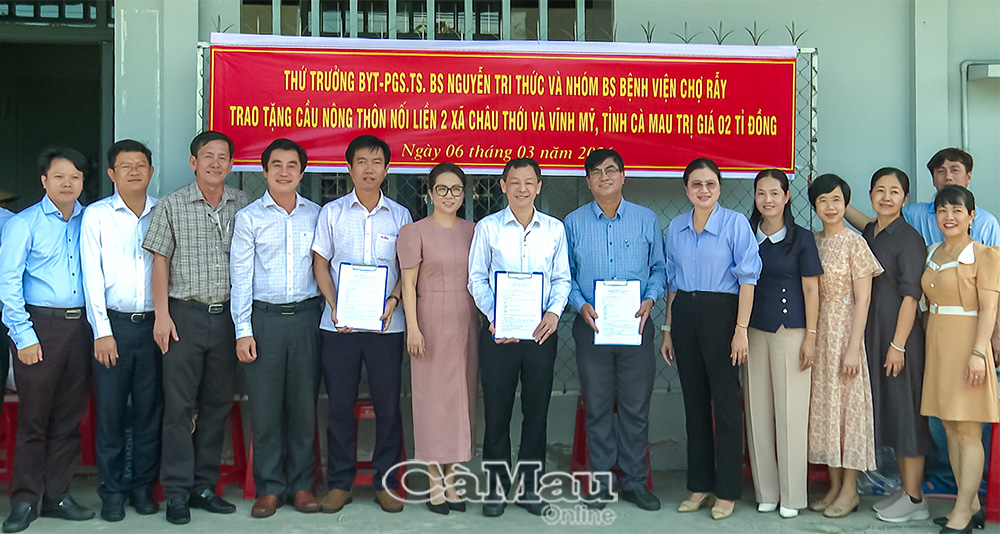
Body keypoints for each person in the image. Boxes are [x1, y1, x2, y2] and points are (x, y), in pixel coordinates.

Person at [142, 131, 249, 525]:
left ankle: (204, 486)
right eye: (207, 156)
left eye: (222, 157)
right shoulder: (171, 205)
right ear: (193, 162)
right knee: (179, 408)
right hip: (183, 316)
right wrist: (162, 314)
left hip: (227, 318)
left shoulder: (243, 204)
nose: (215, 163)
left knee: (217, 405)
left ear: (231, 164)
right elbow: (160, 262)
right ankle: (176, 492)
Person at [311, 134, 411, 514]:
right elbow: (320, 264)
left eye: (377, 162)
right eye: (362, 162)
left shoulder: (400, 216)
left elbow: (407, 270)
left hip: (387, 327)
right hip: (340, 327)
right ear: (349, 168)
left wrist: (394, 299)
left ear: (387, 170)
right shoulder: (332, 213)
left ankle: (386, 483)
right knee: (339, 404)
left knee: (388, 405)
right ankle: (340, 482)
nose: (369, 169)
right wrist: (335, 305)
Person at [467, 158, 570, 518]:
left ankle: (530, 489)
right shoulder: (488, 228)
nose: (522, 188)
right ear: (503, 186)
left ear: (539, 187)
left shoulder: (554, 229)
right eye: (515, 182)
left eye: (529, 182)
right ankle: (495, 489)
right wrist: (494, 316)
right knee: (497, 413)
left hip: (541, 335)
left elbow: (562, 278)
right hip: (499, 334)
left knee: (536, 413)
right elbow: (476, 278)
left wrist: (553, 313)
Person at [659, 157, 761, 520]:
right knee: (695, 404)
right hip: (685, 314)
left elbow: (748, 279)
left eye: (710, 184)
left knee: (726, 403)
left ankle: (728, 490)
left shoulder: (735, 224)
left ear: (719, 187)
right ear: (686, 189)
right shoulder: (676, 226)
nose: (703, 190)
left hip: (723, 315)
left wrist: (740, 330)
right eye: (696, 184)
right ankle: (699, 485)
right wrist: (668, 329)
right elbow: (673, 282)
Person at [564, 149, 665, 512]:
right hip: (591, 327)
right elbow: (565, 275)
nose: (604, 176)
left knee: (636, 406)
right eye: (596, 172)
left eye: (611, 170)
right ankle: (601, 482)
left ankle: (635, 481)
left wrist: (650, 299)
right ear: (588, 181)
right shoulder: (573, 223)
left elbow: (659, 268)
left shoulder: (646, 219)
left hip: (636, 326)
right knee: (597, 406)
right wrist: (580, 304)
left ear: (624, 176)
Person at [0, 148, 95, 532]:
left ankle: (57, 495)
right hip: (39, 327)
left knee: (69, 418)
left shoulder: (91, 220)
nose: (67, 183)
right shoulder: (24, 224)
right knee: (34, 418)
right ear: (44, 181)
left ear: (83, 181)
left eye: (75, 176)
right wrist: (23, 335)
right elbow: (7, 284)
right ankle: (24, 500)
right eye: (59, 176)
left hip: (81, 328)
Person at [229, 139, 323, 518]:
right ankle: (269, 487)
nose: (284, 172)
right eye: (277, 165)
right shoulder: (249, 218)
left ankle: (301, 485)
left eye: (292, 165)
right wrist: (243, 330)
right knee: (265, 408)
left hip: (306, 319)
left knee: (303, 406)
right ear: (264, 171)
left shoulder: (317, 215)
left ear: (302, 172)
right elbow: (240, 276)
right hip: (263, 320)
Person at [80, 140, 163, 522]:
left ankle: (143, 487)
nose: (134, 171)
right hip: (112, 327)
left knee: (149, 411)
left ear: (151, 171)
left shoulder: (163, 211)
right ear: (112, 173)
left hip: (154, 328)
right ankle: (112, 492)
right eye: (125, 166)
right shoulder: (97, 216)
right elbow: (91, 277)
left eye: (140, 165)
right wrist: (101, 331)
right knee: (111, 413)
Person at [397, 162, 478, 515]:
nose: (449, 195)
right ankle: (433, 481)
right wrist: (413, 327)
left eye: (456, 189)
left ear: (464, 194)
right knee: (432, 401)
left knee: (461, 399)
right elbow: (408, 284)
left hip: (467, 317)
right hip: (429, 318)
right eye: (441, 189)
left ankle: (453, 479)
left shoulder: (474, 231)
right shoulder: (413, 232)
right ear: (429, 193)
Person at [744, 169, 822, 519]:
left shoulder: (801, 238)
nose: (768, 200)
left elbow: (811, 289)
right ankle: (767, 491)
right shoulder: (746, 235)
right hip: (753, 332)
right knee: (757, 411)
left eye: (775, 193)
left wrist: (811, 336)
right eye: (761, 193)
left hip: (791, 331)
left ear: (787, 196)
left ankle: (792, 495)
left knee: (791, 414)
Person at [921, 185, 998, 533]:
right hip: (939, 343)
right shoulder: (932, 252)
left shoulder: (984, 255)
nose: (949, 217)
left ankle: (963, 513)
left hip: (969, 344)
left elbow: (989, 309)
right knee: (950, 428)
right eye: (942, 210)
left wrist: (979, 352)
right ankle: (970, 504)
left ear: (971, 216)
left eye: (957, 210)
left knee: (968, 430)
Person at [806, 173, 882, 518]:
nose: (830, 206)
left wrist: (853, 347)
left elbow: (863, 299)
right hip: (818, 332)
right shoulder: (812, 241)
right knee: (826, 411)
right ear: (814, 206)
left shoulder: (856, 243)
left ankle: (850, 490)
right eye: (823, 200)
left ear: (846, 203)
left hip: (845, 332)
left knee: (848, 412)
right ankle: (834, 486)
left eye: (836, 199)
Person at [860, 168, 931, 523]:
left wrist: (898, 345)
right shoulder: (869, 233)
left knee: (907, 413)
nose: (886, 197)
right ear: (870, 195)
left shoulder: (909, 238)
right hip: (872, 334)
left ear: (905, 198)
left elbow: (911, 296)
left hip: (898, 338)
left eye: (894, 191)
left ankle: (916, 498)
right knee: (889, 411)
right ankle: (904, 490)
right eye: (880, 190)